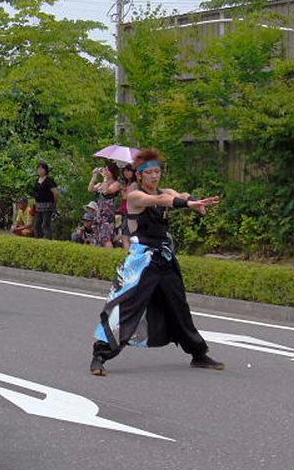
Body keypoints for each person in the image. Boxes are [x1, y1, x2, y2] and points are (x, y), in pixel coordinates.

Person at [89, 148, 224, 377]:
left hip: (165, 258)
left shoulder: (166, 190)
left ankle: (198, 353)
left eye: (157, 171)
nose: (154, 176)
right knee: (126, 306)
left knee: (178, 306)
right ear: (139, 175)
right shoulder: (134, 195)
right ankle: (100, 355)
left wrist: (192, 201)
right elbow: (159, 200)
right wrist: (184, 204)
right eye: (149, 172)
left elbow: (176, 195)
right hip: (142, 260)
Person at [88, 162, 122, 248]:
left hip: (108, 214)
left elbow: (107, 191)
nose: (105, 172)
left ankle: (110, 257)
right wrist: (94, 175)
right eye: (105, 169)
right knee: (97, 236)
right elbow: (90, 189)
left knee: (106, 238)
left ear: (113, 172)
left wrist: (104, 178)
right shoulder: (103, 183)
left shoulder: (116, 183)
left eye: (107, 170)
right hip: (99, 213)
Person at [32, 161, 59, 239]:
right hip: (38, 206)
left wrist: (54, 203)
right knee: (37, 225)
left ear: (45, 170)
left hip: (48, 205)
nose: (39, 170)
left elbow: (55, 193)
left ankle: (48, 240)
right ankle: (38, 240)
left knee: (45, 224)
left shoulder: (49, 180)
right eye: (38, 168)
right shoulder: (37, 180)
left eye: (41, 168)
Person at [118, 164, 138, 250]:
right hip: (126, 211)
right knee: (127, 236)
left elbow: (125, 197)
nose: (126, 173)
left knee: (126, 236)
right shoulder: (129, 183)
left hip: (131, 212)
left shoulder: (134, 184)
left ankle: (128, 256)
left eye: (129, 170)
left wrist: (122, 189)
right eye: (125, 170)